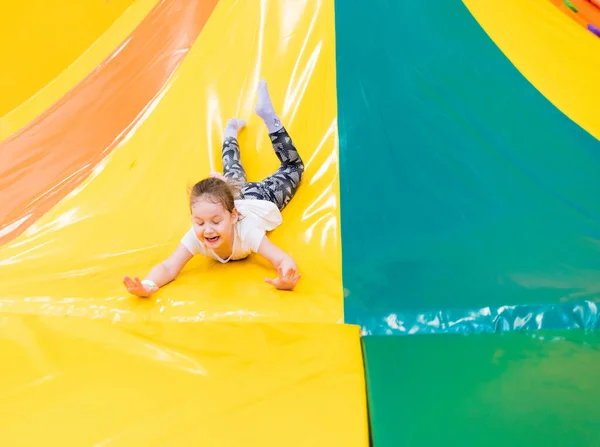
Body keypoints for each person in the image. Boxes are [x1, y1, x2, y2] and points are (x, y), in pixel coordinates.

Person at [123, 80, 304, 297]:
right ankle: (230, 132)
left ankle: (269, 117)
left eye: (216, 222)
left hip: (256, 197)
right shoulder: (198, 236)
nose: (207, 229)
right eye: (199, 222)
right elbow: (169, 267)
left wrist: (287, 278)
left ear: (233, 216)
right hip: (228, 196)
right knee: (232, 170)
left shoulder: (246, 232)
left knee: (293, 167)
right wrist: (148, 285)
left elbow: (282, 259)